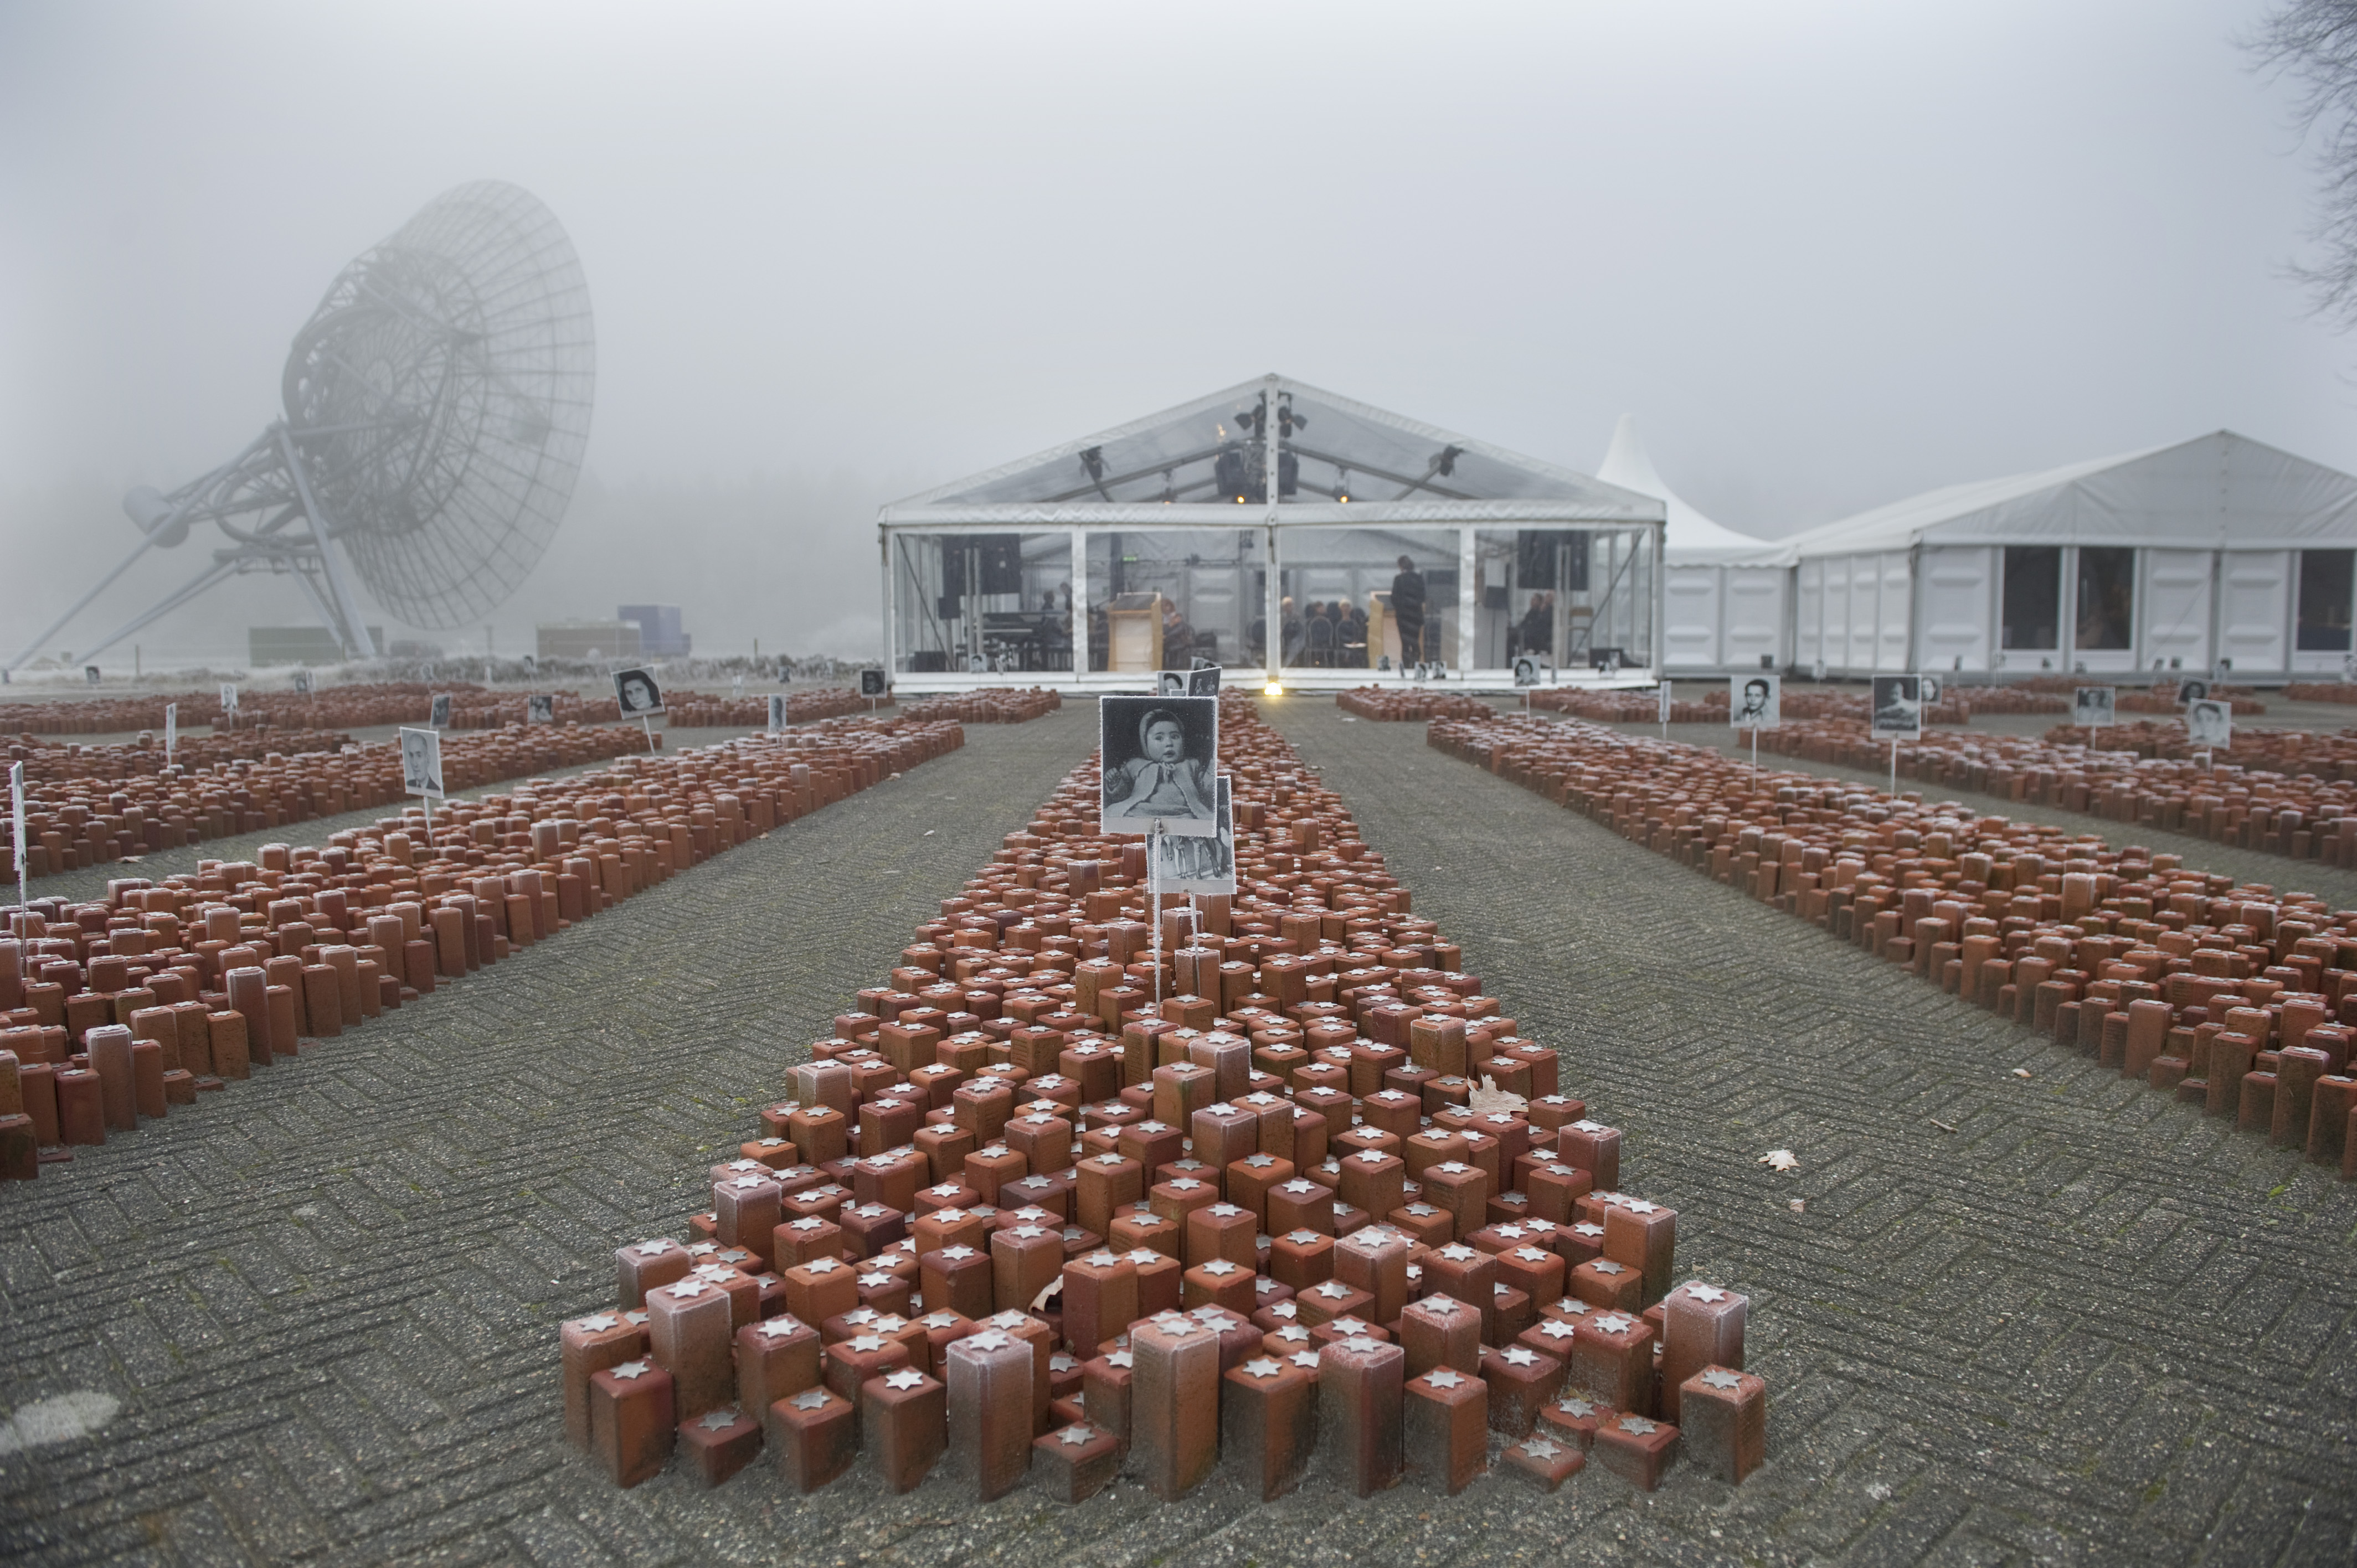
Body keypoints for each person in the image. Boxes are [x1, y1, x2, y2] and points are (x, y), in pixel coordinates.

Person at [1104, 707, 1215, 824]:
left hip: (1182, 813)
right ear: (1145, 743)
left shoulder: (1191, 765)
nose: (1169, 743)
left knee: (1195, 822)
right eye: (1159, 738)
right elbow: (1123, 797)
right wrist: (1115, 783)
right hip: (1143, 812)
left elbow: (1206, 792)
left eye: (1175, 737)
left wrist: (1212, 769)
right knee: (1118, 814)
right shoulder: (1136, 765)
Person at [1391, 555, 1428, 666]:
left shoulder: (1399, 579)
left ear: (1400, 566)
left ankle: (1407, 667)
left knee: (1405, 644)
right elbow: (1423, 597)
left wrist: (1401, 608)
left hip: (1403, 617)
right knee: (1415, 642)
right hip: (1416, 617)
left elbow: (1394, 598)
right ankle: (1417, 665)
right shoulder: (1419, 578)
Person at [1519, 591, 1553, 659]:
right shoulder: (1532, 612)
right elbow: (1524, 623)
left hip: (1539, 637)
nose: (1531, 601)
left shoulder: (1545, 611)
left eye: (1534, 600)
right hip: (1530, 635)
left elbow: (1541, 625)